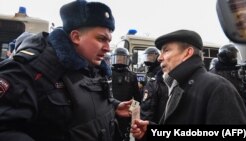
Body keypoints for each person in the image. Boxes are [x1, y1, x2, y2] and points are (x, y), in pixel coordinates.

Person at [0, 0, 132, 141]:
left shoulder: (92, 66)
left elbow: (85, 102)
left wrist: (114, 107)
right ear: (76, 37)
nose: (107, 48)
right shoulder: (31, 69)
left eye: (109, 41)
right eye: (101, 39)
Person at [131, 29, 246, 140]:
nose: (160, 58)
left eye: (166, 50)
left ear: (188, 53)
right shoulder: (177, 85)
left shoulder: (219, 89)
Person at [111, 47, 141, 141]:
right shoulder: (107, 74)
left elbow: (137, 97)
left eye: (122, 58)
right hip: (112, 111)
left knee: (124, 136)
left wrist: (132, 113)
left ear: (128, 60)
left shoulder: (132, 75)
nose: (120, 61)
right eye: (117, 58)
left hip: (125, 113)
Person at [209, 44, 246, 113]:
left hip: (242, 110)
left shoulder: (238, 70)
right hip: (225, 111)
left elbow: (245, 92)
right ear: (225, 57)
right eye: (233, 55)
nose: (236, 57)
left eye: (235, 55)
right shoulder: (214, 74)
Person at [140, 47, 168, 123]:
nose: (148, 58)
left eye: (150, 56)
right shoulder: (149, 70)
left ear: (157, 57)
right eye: (147, 56)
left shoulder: (159, 71)